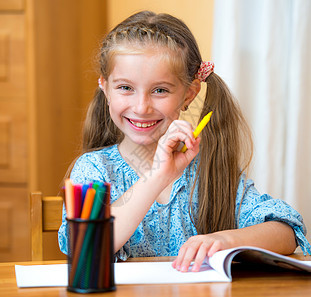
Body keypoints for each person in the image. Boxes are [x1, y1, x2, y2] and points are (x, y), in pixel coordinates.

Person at [58, 11, 311, 272]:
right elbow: (83, 245)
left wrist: (225, 239)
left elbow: (286, 230)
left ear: (189, 94)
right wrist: (157, 176)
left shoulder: (208, 172)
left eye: (160, 90)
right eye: (125, 88)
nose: (142, 106)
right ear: (105, 87)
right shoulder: (93, 169)